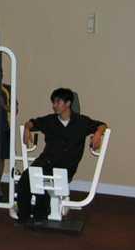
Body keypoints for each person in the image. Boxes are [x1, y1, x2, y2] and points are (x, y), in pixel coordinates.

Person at [15, 88, 107, 227]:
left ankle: (40, 214)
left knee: (44, 179)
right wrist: (27, 129)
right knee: (26, 179)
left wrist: (98, 134)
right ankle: (24, 216)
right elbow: (32, 122)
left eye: (58, 102)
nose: (54, 105)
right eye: (53, 102)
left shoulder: (81, 122)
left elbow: (102, 125)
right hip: (45, 161)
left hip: (65, 166)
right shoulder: (50, 120)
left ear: (68, 103)